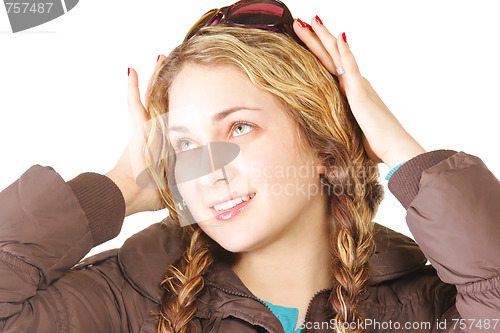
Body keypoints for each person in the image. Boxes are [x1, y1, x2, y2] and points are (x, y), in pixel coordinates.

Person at [1, 1, 499, 332]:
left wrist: (400, 149)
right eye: (185, 144)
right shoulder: (122, 299)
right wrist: (118, 187)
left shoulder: (425, 307)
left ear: (324, 146)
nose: (209, 170)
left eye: (238, 128)